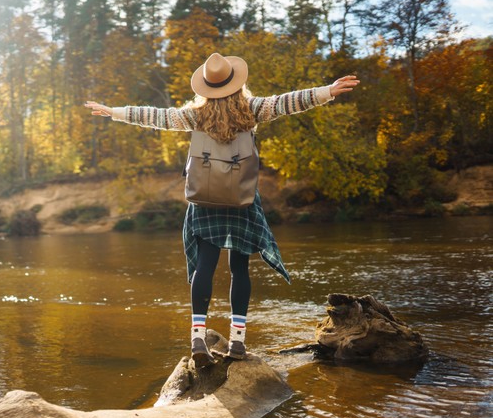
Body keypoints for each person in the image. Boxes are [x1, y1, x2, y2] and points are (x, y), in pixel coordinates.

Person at [85, 52, 359, 367]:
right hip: (241, 199)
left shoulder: (194, 116)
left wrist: (114, 112)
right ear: (237, 83)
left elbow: (154, 116)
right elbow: (290, 101)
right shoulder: (252, 109)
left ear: (206, 87)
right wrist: (328, 90)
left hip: (204, 200)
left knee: (204, 268)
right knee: (239, 269)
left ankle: (197, 339)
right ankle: (238, 344)